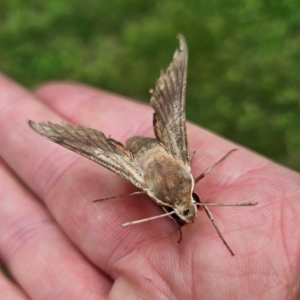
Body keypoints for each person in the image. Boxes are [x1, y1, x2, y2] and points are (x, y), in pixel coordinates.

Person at [0, 74, 299, 299]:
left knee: (169, 108)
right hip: (141, 161)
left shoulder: (186, 188)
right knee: (108, 144)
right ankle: (52, 131)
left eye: (187, 206)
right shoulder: (151, 188)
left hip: (161, 156)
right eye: (184, 207)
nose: (189, 211)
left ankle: (52, 129)